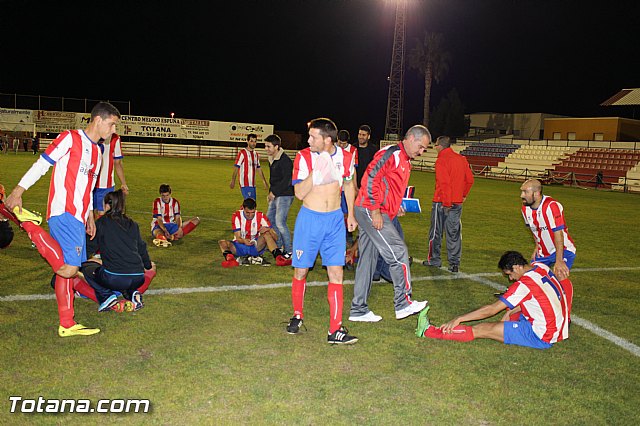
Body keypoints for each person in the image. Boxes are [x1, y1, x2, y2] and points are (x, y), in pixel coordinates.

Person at [2, 101, 121, 337]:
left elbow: (88, 188)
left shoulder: (97, 151)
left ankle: (67, 324)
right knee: (70, 268)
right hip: (63, 212)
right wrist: (18, 191)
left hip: (78, 216)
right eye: (112, 124)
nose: (113, 131)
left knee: (65, 269)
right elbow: (42, 163)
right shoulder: (70, 138)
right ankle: (29, 225)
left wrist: (89, 216)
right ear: (98, 120)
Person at [286, 118, 358, 345]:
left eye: (313, 137)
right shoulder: (304, 157)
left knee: (336, 274)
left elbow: (348, 185)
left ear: (327, 140)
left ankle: (335, 329)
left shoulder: (346, 157)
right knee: (301, 271)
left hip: (335, 220)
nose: (308, 140)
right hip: (310, 219)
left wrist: (352, 215)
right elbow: (298, 193)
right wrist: (316, 172)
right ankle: (297, 315)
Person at [349, 125, 430, 322]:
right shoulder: (391, 153)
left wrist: (397, 206)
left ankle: (358, 309)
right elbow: (370, 179)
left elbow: (389, 187)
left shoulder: (405, 161)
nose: (421, 152)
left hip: (378, 210)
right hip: (371, 209)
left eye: (424, 150)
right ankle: (403, 303)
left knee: (367, 261)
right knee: (399, 251)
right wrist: (375, 209)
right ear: (410, 138)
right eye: (420, 147)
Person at [416, 251, 572, 349]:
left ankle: (428, 331)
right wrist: (510, 312)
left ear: (517, 267)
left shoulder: (524, 284)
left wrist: (459, 318)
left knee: (483, 329)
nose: (511, 279)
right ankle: (514, 323)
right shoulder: (541, 267)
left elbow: (491, 310)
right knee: (511, 309)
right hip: (559, 325)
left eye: (510, 274)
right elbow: (540, 297)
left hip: (542, 335)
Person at [83, 189, 156, 312]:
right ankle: (133, 294)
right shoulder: (133, 224)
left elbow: (89, 246)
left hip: (114, 277)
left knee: (87, 268)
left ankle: (107, 296)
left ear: (107, 205)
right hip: (138, 277)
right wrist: (148, 265)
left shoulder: (102, 222)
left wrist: (81, 260)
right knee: (123, 276)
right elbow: (141, 247)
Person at [423, 136, 474, 273]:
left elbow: (444, 183)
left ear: (440, 146)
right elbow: (469, 180)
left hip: (442, 202)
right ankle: (454, 263)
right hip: (457, 202)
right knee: (454, 233)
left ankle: (435, 260)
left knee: (436, 232)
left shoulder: (441, 160)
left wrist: (446, 202)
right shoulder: (461, 159)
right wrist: (463, 195)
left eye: (436, 145)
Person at [519, 178, 576, 281]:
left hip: (564, 250)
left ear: (536, 193)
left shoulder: (551, 206)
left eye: (525, 192)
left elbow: (558, 234)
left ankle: (564, 295)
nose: (522, 195)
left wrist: (559, 260)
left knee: (560, 275)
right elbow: (534, 230)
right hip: (543, 253)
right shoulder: (525, 209)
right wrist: (537, 245)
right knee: (531, 278)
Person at [218, 197, 290, 267]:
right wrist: (244, 241)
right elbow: (238, 238)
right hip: (240, 245)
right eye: (247, 213)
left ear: (255, 209)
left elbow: (276, 237)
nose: (250, 215)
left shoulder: (260, 216)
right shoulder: (237, 216)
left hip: (255, 246)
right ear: (243, 208)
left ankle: (279, 259)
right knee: (222, 242)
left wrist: (269, 229)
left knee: (267, 234)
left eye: (252, 212)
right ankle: (230, 260)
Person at [264, 134, 294, 259]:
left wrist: (274, 192)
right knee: (269, 219)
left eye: (268, 146)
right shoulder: (272, 158)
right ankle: (280, 245)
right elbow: (274, 179)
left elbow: (288, 180)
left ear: (276, 147)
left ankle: (289, 250)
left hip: (285, 195)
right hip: (276, 194)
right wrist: (271, 192)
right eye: (265, 146)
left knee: (280, 222)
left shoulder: (285, 160)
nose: (266, 148)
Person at [93, 133, 129, 217]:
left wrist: (123, 183)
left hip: (95, 183)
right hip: (104, 185)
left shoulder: (91, 133)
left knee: (91, 214)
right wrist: (123, 183)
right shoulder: (114, 138)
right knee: (103, 215)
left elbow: (118, 163)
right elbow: (118, 163)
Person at [230, 133, 268, 200]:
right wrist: (233, 180)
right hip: (245, 183)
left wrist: (264, 181)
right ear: (247, 141)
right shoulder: (242, 152)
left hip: (252, 184)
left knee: (251, 204)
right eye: (251, 141)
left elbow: (258, 168)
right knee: (250, 203)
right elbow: (236, 167)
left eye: (255, 141)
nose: (253, 143)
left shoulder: (255, 154)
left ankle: (241, 210)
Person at [337, 129, 358, 245]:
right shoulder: (332, 149)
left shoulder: (353, 150)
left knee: (347, 212)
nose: (341, 145)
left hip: (346, 187)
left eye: (344, 144)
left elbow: (353, 170)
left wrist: (354, 187)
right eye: (340, 142)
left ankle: (348, 233)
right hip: (334, 188)